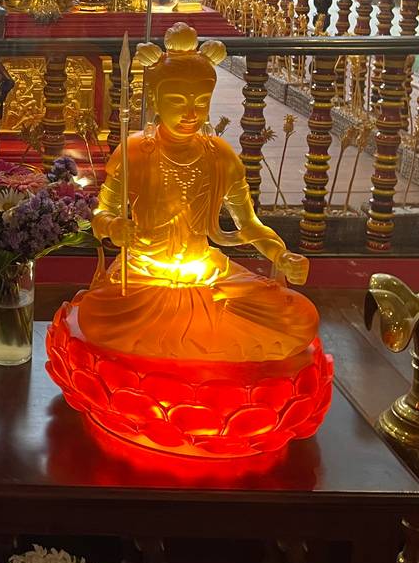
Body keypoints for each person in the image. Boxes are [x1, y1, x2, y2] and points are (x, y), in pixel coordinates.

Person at [78, 23, 317, 362]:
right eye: (177, 101)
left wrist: (281, 256)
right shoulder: (134, 152)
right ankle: (204, 342)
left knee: (299, 317)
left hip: (204, 272)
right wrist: (114, 226)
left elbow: (248, 225)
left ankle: (186, 343)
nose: (191, 113)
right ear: (155, 100)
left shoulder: (220, 156)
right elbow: (101, 215)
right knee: (97, 316)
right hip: (146, 275)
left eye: (201, 102)